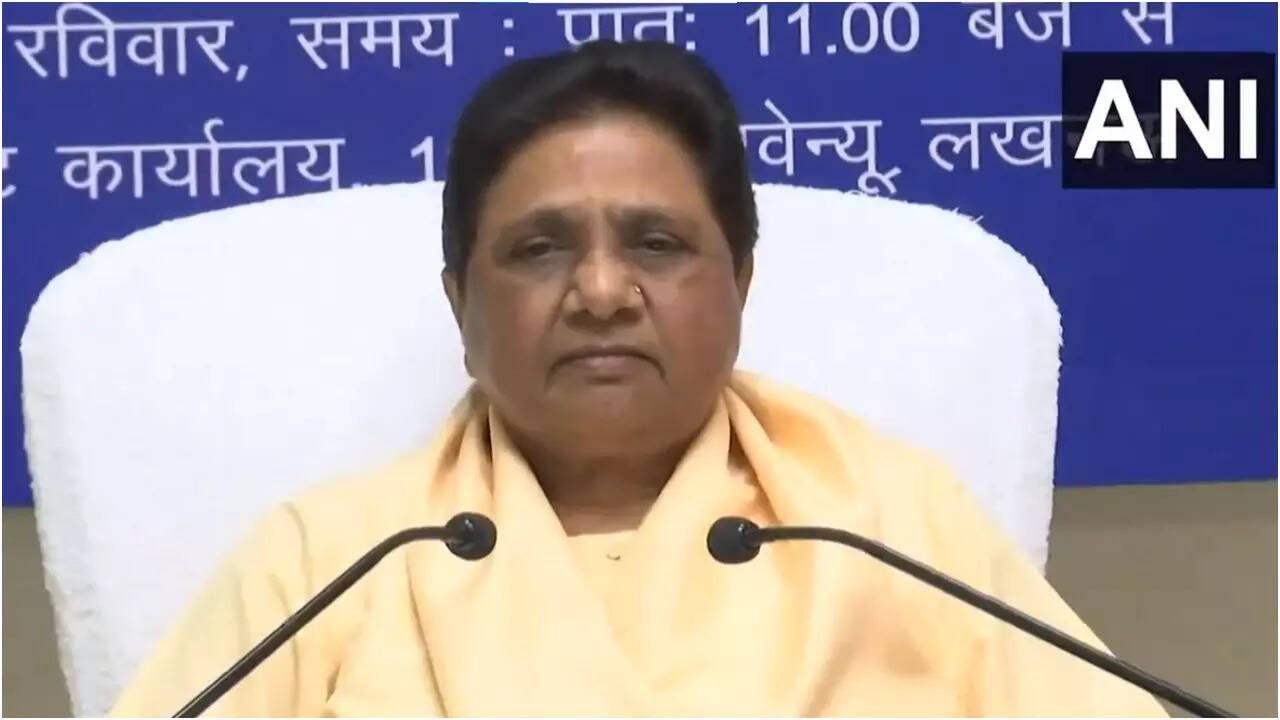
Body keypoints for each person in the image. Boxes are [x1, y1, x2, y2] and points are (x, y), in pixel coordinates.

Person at [111, 41, 1166, 717]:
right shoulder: (328, 559)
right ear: (460, 305)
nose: (602, 292)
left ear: (739, 283)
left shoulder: (888, 522)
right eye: (538, 250)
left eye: (656, 244)